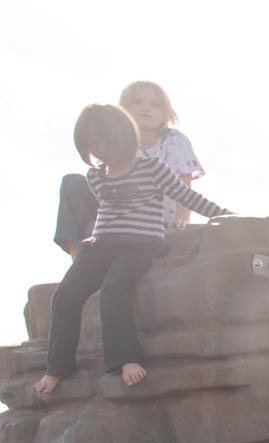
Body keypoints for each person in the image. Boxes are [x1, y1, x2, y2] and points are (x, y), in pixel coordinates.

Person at [33, 104, 231, 395]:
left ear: (122, 135)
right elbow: (107, 211)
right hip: (101, 245)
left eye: (104, 142)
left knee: (114, 289)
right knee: (65, 296)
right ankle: (57, 368)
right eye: (92, 145)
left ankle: (126, 359)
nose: (100, 150)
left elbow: (186, 196)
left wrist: (227, 216)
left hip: (139, 245)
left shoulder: (151, 168)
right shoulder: (96, 176)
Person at [52, 80, 206, 256]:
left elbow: (183, 182)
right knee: (72, 182)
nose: (145, 108)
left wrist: (181, 220)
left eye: (154, 104)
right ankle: (77, 256)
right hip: (116, 215)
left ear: (165, 112)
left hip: (153, 221)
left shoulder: (173, 140)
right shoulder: (116, 142)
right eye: (137, 102)